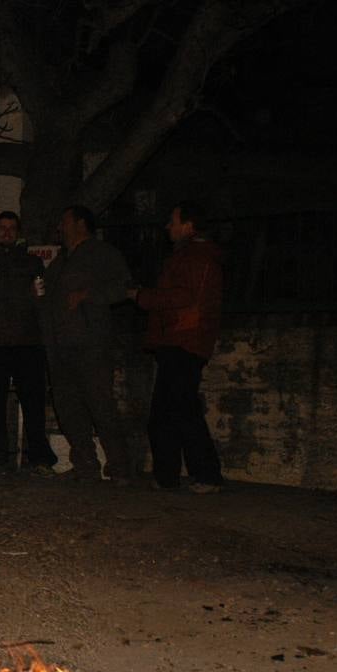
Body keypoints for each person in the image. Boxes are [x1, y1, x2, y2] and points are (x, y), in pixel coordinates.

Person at [129, 201, 225, 493]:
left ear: (189, 225)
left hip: (184, 339)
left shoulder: (196, 257)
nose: (168, 227)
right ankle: (168, 475)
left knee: (180, 410)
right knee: (168, 411)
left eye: (173, 221)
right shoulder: (190, 256)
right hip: (178, 339)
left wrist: (143, 297)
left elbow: (182, 297)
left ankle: (204, 475)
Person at [38, 204, 133, 483]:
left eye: (64, 222)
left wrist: (89, 295)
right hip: (60, 346)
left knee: (100, 404)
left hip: (91, 343)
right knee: (68, 407)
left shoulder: (103, 254)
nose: (59, 228)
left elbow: (124, 288)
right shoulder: (59, 263)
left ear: (81, 224)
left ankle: (119, 465)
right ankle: (85, 463)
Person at [0, 210, 58, 475]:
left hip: (28, 344)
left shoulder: (32, 264)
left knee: (33, 403)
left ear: (18, 233)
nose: (6, 232)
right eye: (2, 228)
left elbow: (42, 300)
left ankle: (40, 459)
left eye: (11, 228)